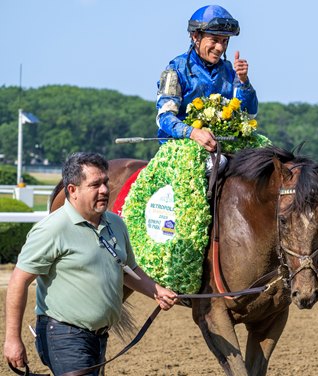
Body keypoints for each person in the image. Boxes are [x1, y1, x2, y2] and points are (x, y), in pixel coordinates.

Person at [3, 152, 177, 375]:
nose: (104, 190)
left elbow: (127, 269)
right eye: (95, 184)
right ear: (73, 190)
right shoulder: (52, 229)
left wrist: (156, 290)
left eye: (105, 182)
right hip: (64, 337)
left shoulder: (115, 223)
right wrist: (12, 339)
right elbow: (19, 281)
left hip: (99, 337)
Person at [156, 4, 258, 153]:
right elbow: (164, 117)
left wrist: (244, 82)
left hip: (222, 148)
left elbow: (249, 113)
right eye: (214, 40)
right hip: (180, 149)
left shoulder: (229, 70)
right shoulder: (175, 70)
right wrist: (193, 133)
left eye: (224, 41)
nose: (220, 48)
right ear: (195, 36)